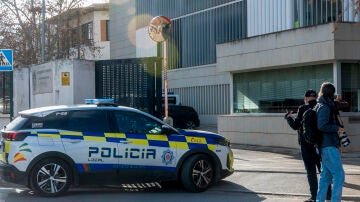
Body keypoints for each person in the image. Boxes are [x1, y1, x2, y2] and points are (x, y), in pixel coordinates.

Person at [284, 89, 322, 202]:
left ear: (306, 98)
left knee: (311, 171)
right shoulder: (320, 107)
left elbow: (296, 126)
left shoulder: (303, 108)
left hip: (306, 144)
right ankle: (327, 194)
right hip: (319, 143)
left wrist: (288, 117)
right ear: (315, 97)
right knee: (323, 169)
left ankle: (314, 197)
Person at [316, 82, 345, 202]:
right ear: (331, 93)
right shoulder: (325, 107)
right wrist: (336, 128)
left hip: (325, 146)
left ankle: (320, 200)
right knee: (339, 176)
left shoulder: (323, 104)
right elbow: (322, 125)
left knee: (325, 177)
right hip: (328, 146)